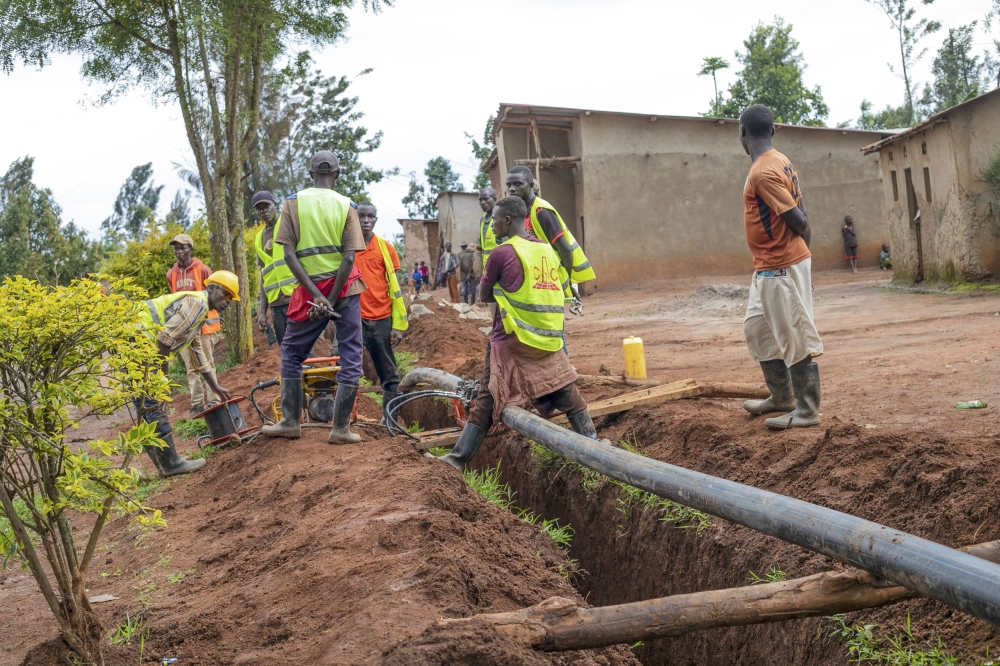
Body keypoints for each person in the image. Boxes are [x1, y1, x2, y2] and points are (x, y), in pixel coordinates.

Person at [430, 197, 604, 472]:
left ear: (507, 220)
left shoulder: (501, 252)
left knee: (489, 395)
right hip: (548, 336)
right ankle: (593, 444)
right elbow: (557, 284)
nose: (492, 227)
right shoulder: (546, 249)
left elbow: (483, 294)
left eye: (495, 220)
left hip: (511, 337)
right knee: (563, 386)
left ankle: (457, 460)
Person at [261, 150, 368, 444]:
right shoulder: (348, 206)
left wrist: (317, 296)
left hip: (309, 293)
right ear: (337, 174)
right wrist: (331, 299)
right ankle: (341, 429)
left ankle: (290, 421)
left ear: (310, 174)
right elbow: (348, 259)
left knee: (292, 353)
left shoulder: (292, 204)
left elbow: (288, 256)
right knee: (350, 355)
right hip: (344, 291)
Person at [737, 104, 823, 430]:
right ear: (772, 130)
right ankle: (782, 397)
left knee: (793, 335)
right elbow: (801, 212)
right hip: (769, 267)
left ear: (742, 132)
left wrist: (797, 265)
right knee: (757, 328)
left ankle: (807, 410)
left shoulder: (763, 172)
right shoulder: (780, 160)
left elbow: (799, 219)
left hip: (780, 266)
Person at [137, 271, 239, 476]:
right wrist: (162, 380)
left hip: (131, 339)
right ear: (211, 288)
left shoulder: (198, 310)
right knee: (154, 398)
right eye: (225, 293)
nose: (227, 301)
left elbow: (195, 351)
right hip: (139, 339)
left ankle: (162, 464)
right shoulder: (197, 304)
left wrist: (214, 386)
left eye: (231, 298)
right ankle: (170, 464)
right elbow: (164, 339)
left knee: (142, 401)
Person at [505, 166, 592, 319]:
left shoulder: (541, 211)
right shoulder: (522, 211)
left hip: (550, 275)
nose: (511, 189)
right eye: (509, 185)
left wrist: (569, 283)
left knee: (549, 322)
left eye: (517, 184)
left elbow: (565, 249)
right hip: (538, 276)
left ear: (531, 185)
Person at [355, 201, 408, 418]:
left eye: (370, 216)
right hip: (353, 319)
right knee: (338, 365)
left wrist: (397, 325)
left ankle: (391, 422)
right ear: (354, 218)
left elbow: (395, 288)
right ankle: (340, 418)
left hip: (382, 318)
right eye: (361, 216)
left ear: (375, 219)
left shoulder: (386, 248)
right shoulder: (346, 247)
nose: (366, 220)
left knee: (389, 374)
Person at [165, 233, 222, 415]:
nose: (179, 252)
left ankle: (213, 402)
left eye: (183, 248)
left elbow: (213, 296)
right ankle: (197, 404)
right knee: (191, 367)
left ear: (191, 249)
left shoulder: (203, 270)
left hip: (203, 326)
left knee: (207, 363)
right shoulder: (171, 274)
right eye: (176, 248)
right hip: (183, 328)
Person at [252, 191, 297, 346]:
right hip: (276, 303)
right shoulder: (258, 239)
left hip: (296, 297)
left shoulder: (289, 225)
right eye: (259, 208)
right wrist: (262, 312)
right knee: (285, 348)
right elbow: (264, 276)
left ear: (275, 205)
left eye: (267, 206)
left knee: (302, 347)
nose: (263, 211)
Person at [478, 186, 498, 272]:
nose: (482, 202)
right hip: (487, 269)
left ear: (495, 199)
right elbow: (485, 248)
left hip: (500, 268)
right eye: (480, 200)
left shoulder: (501, 218)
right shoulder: (482, 219)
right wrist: (475, 247)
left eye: (486, 199)